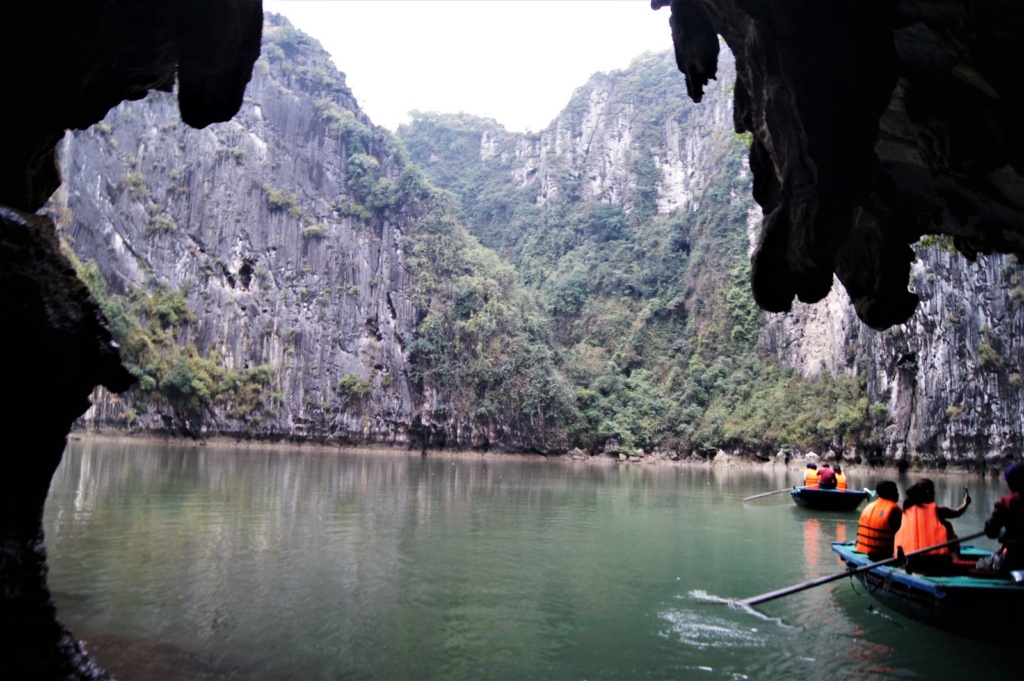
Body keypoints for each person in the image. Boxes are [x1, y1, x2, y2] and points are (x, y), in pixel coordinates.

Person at [893, 478, 971, 574]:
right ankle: (957, 562)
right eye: (933, 491)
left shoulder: (906, 510)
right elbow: (957, 513)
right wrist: (965, 503)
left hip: (907, 561)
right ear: (928, 492)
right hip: (933, 561)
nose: (934, 494)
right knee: (947, 526)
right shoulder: (937, 510)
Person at [980, 463, 1024, 574]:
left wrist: (1002, 534)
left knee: (980, 564)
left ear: (1009, 483)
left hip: (1014, 558)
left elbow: (991, 531)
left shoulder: (1006, 502)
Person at [856, 481, 902, 560]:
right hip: (884, 554)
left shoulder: (868, 506)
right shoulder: (894, 509)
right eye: (896, 491)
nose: (898, 494)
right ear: (892, 493)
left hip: (864, 550)